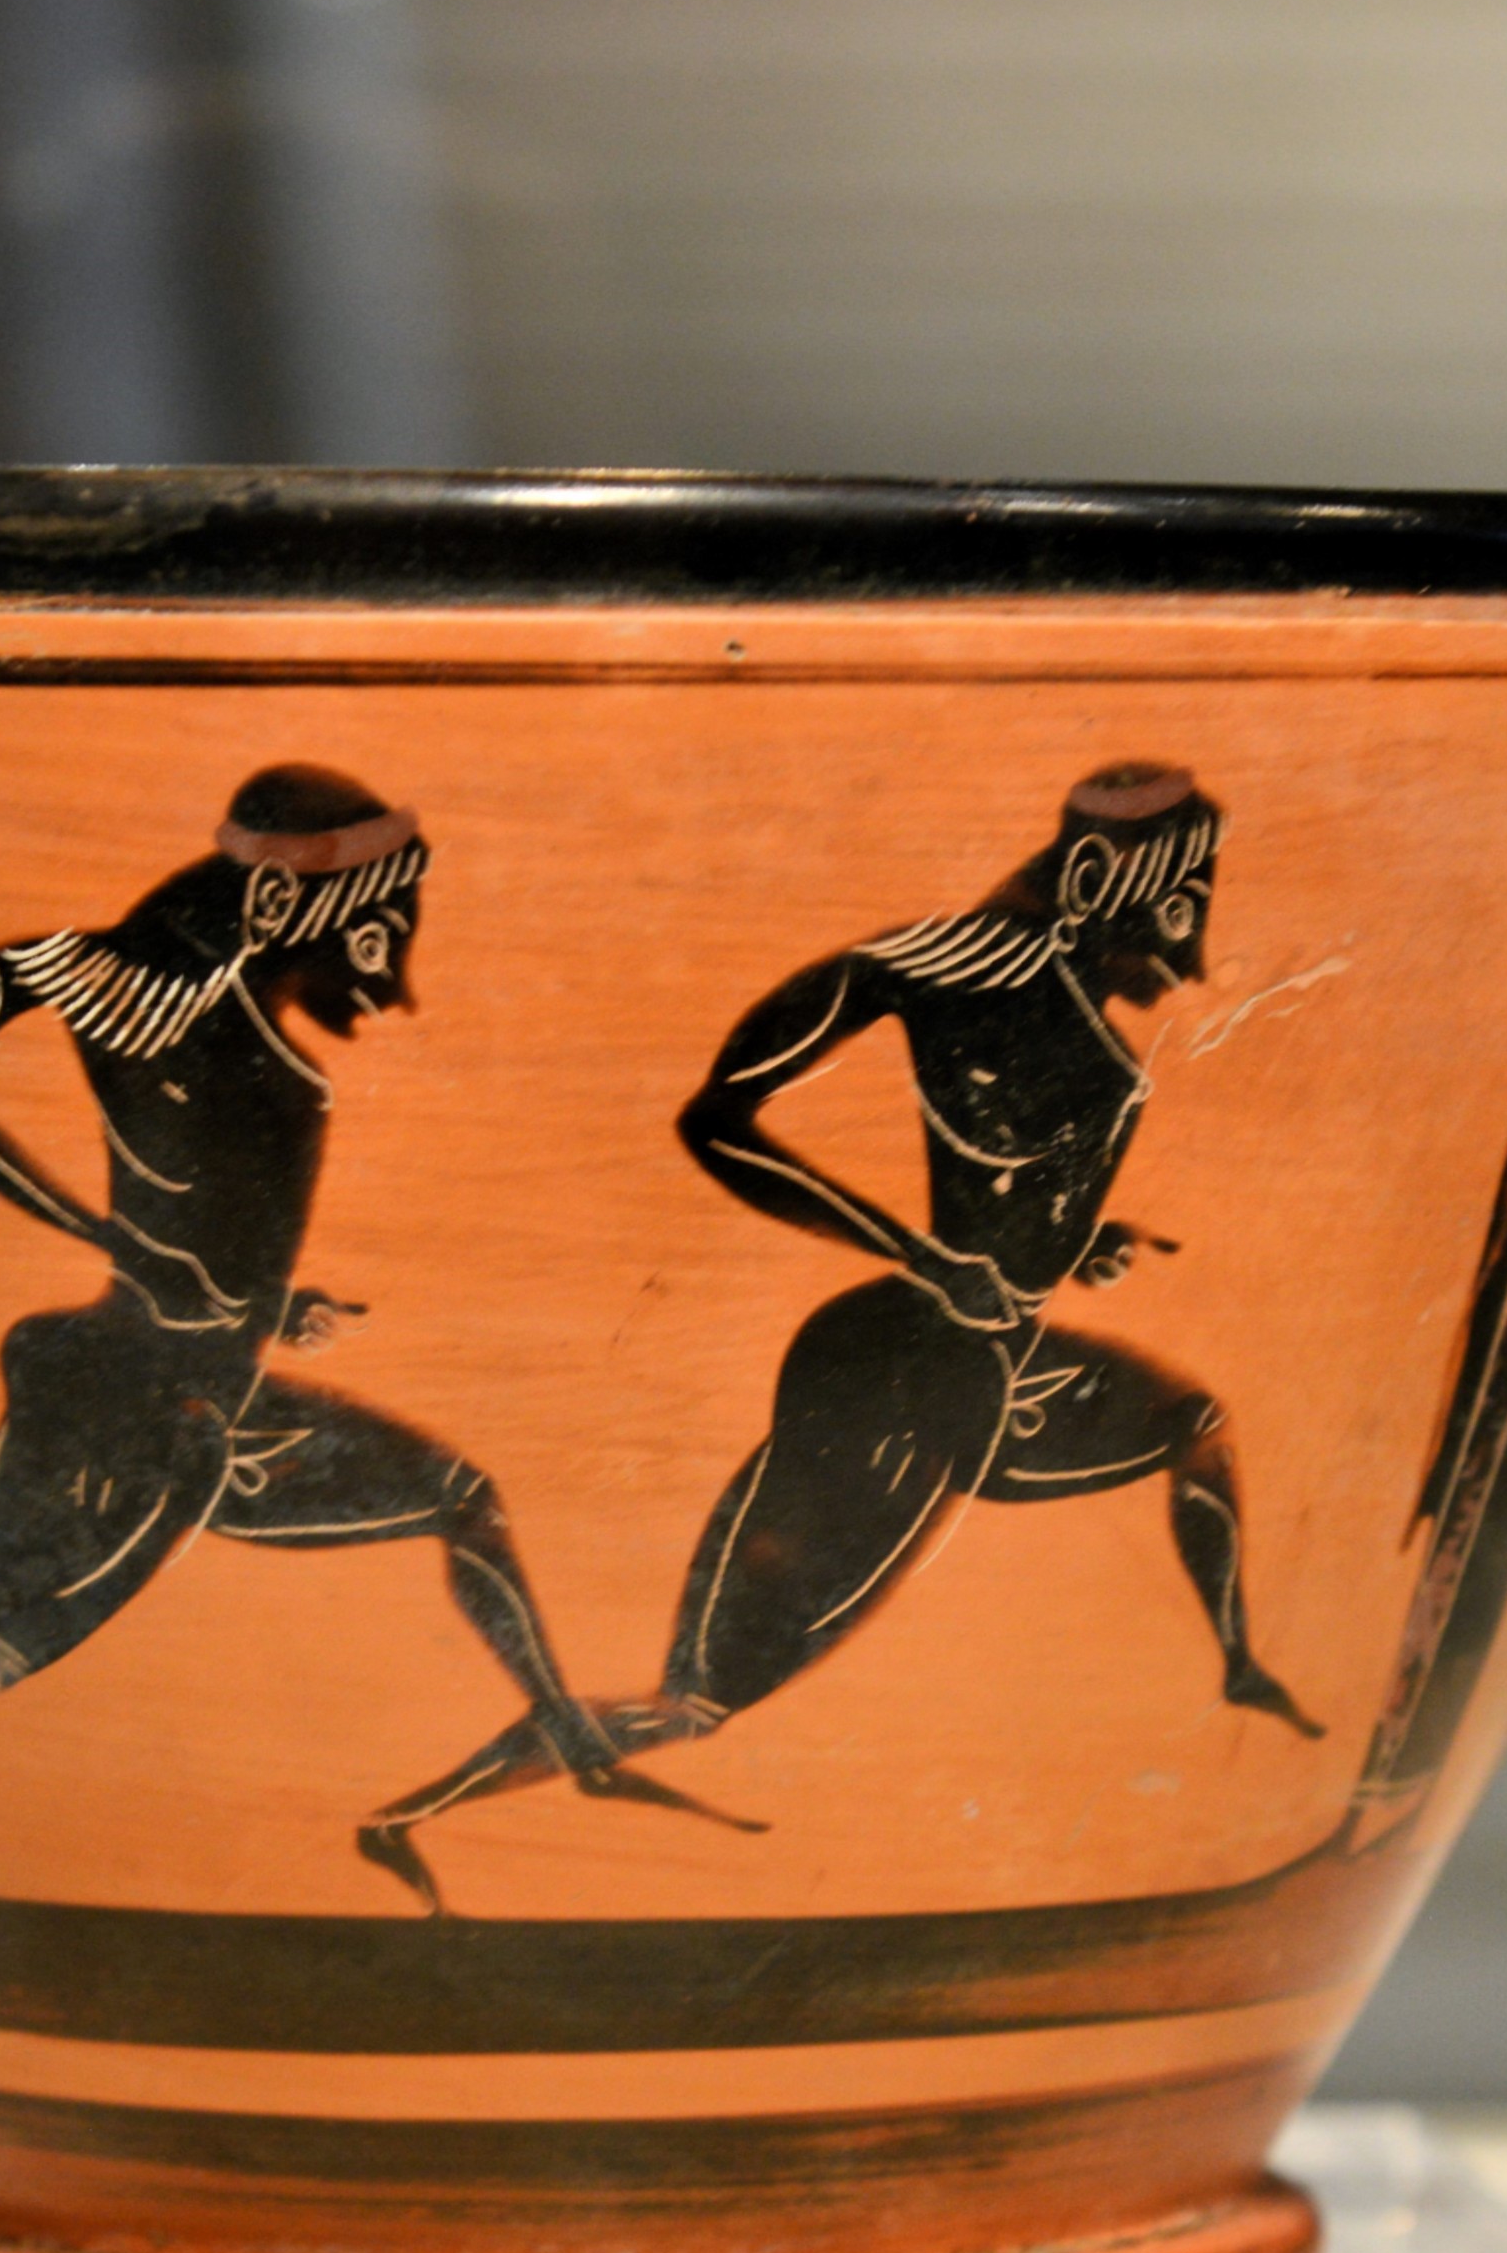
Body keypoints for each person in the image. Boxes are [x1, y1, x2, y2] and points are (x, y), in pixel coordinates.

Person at [357, 761, 1317, 1897]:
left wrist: (1073, 1243)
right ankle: (405, 1813)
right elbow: (719, 1119)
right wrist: (922, 1254)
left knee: (1193, 1423)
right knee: (697, 1700)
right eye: (1179, 904)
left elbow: (1012, 1190)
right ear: (1100, 876)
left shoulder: (1058, 998)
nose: (1190, 947)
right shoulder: (956, 977)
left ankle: (1239, 1664)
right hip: (901, 1377)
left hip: (987, 1363)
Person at [0, 763, 692, 1906]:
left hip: (216, 1395)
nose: (391, 986)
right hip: (133, 1407)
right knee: (5, 1649)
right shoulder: (163, 1018)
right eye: (370, 942)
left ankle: (573, 1743)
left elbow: (205, 1235)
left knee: (466, 1498)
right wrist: (106, 1236)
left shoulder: (208, 1030)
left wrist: (272, 1304)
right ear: (274, 905)